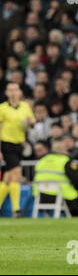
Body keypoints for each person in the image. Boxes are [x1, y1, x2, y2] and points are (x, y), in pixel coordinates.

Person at [0, 82, 35, 217]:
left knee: (8, 178)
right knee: (17, 173)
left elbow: (31, 125)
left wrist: (31, 123)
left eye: (16, 89)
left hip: (19, 144)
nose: (14, 92)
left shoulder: (25, 107)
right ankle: (16, 209)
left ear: (20, 92)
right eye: (11, 90)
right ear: (7, 93)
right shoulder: (2, 108)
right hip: (6, 143)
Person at [32, 140, 78, 216]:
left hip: (40, 196)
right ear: (63, 150)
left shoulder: (41, 161)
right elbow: (77, 181)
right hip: (62, 196)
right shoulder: (65, 161)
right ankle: (74, 220)